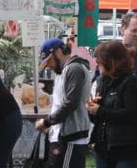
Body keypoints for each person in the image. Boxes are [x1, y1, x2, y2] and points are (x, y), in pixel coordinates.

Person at [87, 40, 137, 168]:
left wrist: (100, 111)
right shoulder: (100, 82)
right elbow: (96, 118)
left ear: (111, 61)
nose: (97, 65)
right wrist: (91, 109)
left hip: (128, 149)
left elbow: (133, 114)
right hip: (103, 148)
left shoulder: (132, 83)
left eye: (99, 62)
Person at [33, 38, 93, 168]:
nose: (49, 65)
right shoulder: (64, 70)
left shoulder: (74, 69)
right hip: (63, 135)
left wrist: (47, 121)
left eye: (49, 60)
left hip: (71, 136)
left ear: (59, 52)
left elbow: (71, 103)